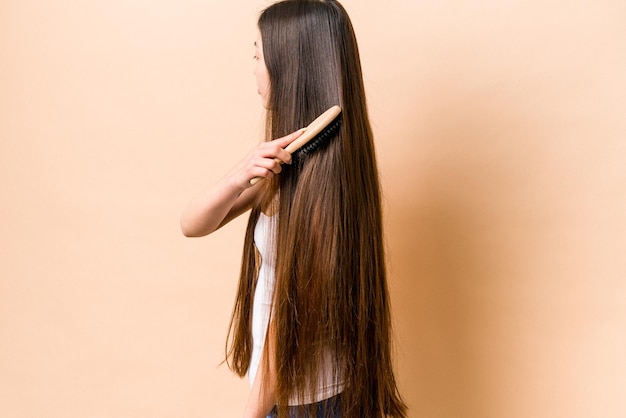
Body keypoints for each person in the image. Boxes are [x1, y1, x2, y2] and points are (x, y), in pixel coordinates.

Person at [181, 1, 407, 417]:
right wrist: (240, 173)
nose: (252, 67)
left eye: (257, 55)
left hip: (312, 403)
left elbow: (288, 319)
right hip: (285, 396)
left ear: (288, 66)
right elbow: (192, 224)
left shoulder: (323, 184)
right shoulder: (287, 164)